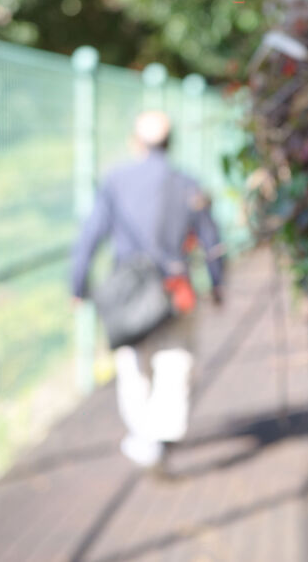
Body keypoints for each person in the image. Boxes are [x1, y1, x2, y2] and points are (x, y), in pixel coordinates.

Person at [71, 110, 224, 469]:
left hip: (129, 291)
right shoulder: (188, 183)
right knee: (176, 360)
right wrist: (217, 282)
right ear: (170, 143)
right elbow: (211, 238)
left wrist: (78, 284)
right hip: (175, 288)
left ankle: (145, 436)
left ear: (135, 142)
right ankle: (160, 435)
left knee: (134, 365)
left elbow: (90, 236)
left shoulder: (115, 181)